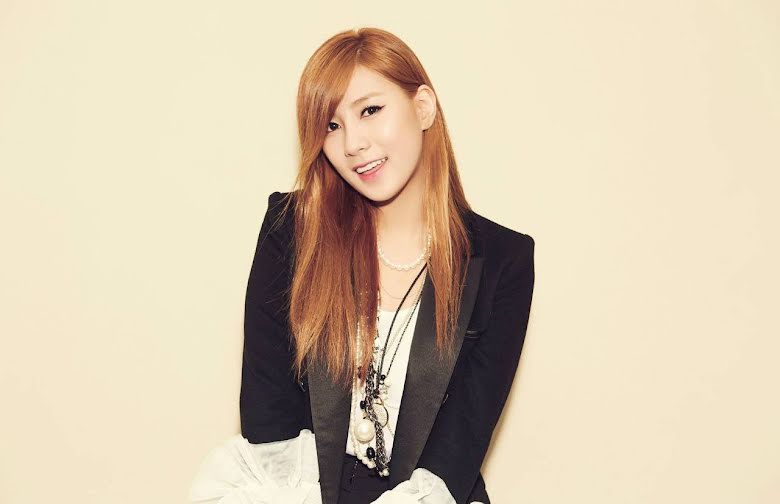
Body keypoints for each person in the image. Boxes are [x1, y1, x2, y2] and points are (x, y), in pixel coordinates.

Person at [188, 27, 535, 504]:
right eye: (331, 126)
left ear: (423, 107)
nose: (353, 143)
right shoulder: (292, 232)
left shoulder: (502, 260)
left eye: (370, 110)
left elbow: (461, 441)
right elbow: (269, 416)